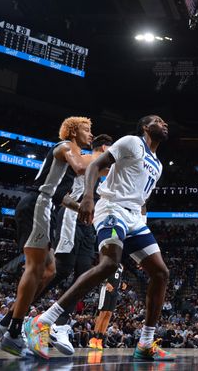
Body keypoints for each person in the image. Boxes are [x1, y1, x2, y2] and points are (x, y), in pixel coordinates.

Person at [27, 115, 174, 361]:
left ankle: (146, 344)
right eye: (159, 121)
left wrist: (141, 222)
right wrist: (87, 198)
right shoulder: (131, 142)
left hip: (134, 218)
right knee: (109, 263)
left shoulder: (157, 164)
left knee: (161, 273)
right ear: (146, 127)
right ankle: (43, 321)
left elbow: (141, 197)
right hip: (112, 208)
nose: (164, 123)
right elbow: (95, 166)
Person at [0, 133, 112, 356]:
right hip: (67, 219)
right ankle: (39, 323)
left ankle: (20, 321)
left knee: (84, 272)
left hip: (85, 223)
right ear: (104, 148)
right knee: (60, 271)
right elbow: (62, 195)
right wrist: (79, 207)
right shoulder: (82, 159)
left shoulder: (100, 168)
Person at [89, 264, 124, 350]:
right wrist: (106, 282)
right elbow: (100, 275)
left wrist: (122, 283)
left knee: (108, 314)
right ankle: (93, 339)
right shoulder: (108, 261)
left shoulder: (121, 266)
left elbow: (118, 277)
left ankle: (100, 340)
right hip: (106, 289)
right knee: (103, 313)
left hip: (115, 291)